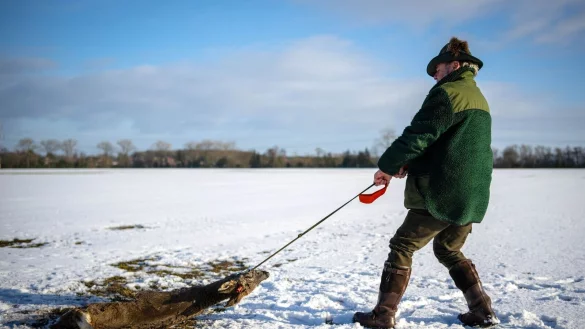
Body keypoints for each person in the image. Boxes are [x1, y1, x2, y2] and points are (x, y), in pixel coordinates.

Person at [353, 37, 498, 328]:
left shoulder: (448, 93)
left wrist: (388, 165)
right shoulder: (477, 96)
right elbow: (448, 146)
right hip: (471, 192)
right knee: (448, 248)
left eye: (438, 68)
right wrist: (411, 163)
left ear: (454, 65)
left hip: (442, 191)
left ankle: (382, 317)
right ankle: (482, 311)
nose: (434, 74)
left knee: (402, 245)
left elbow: (418, 135)